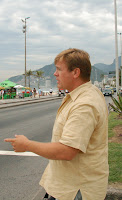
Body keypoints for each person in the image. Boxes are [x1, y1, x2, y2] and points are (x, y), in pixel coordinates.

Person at [4, 48, 109, 200]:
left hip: (75, 191)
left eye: (59, 69)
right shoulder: (86, 94)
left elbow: (67, 151)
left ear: (75, 72)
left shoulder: (84, 104)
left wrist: (27, 145)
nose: (55, 73)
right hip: (69, 186)